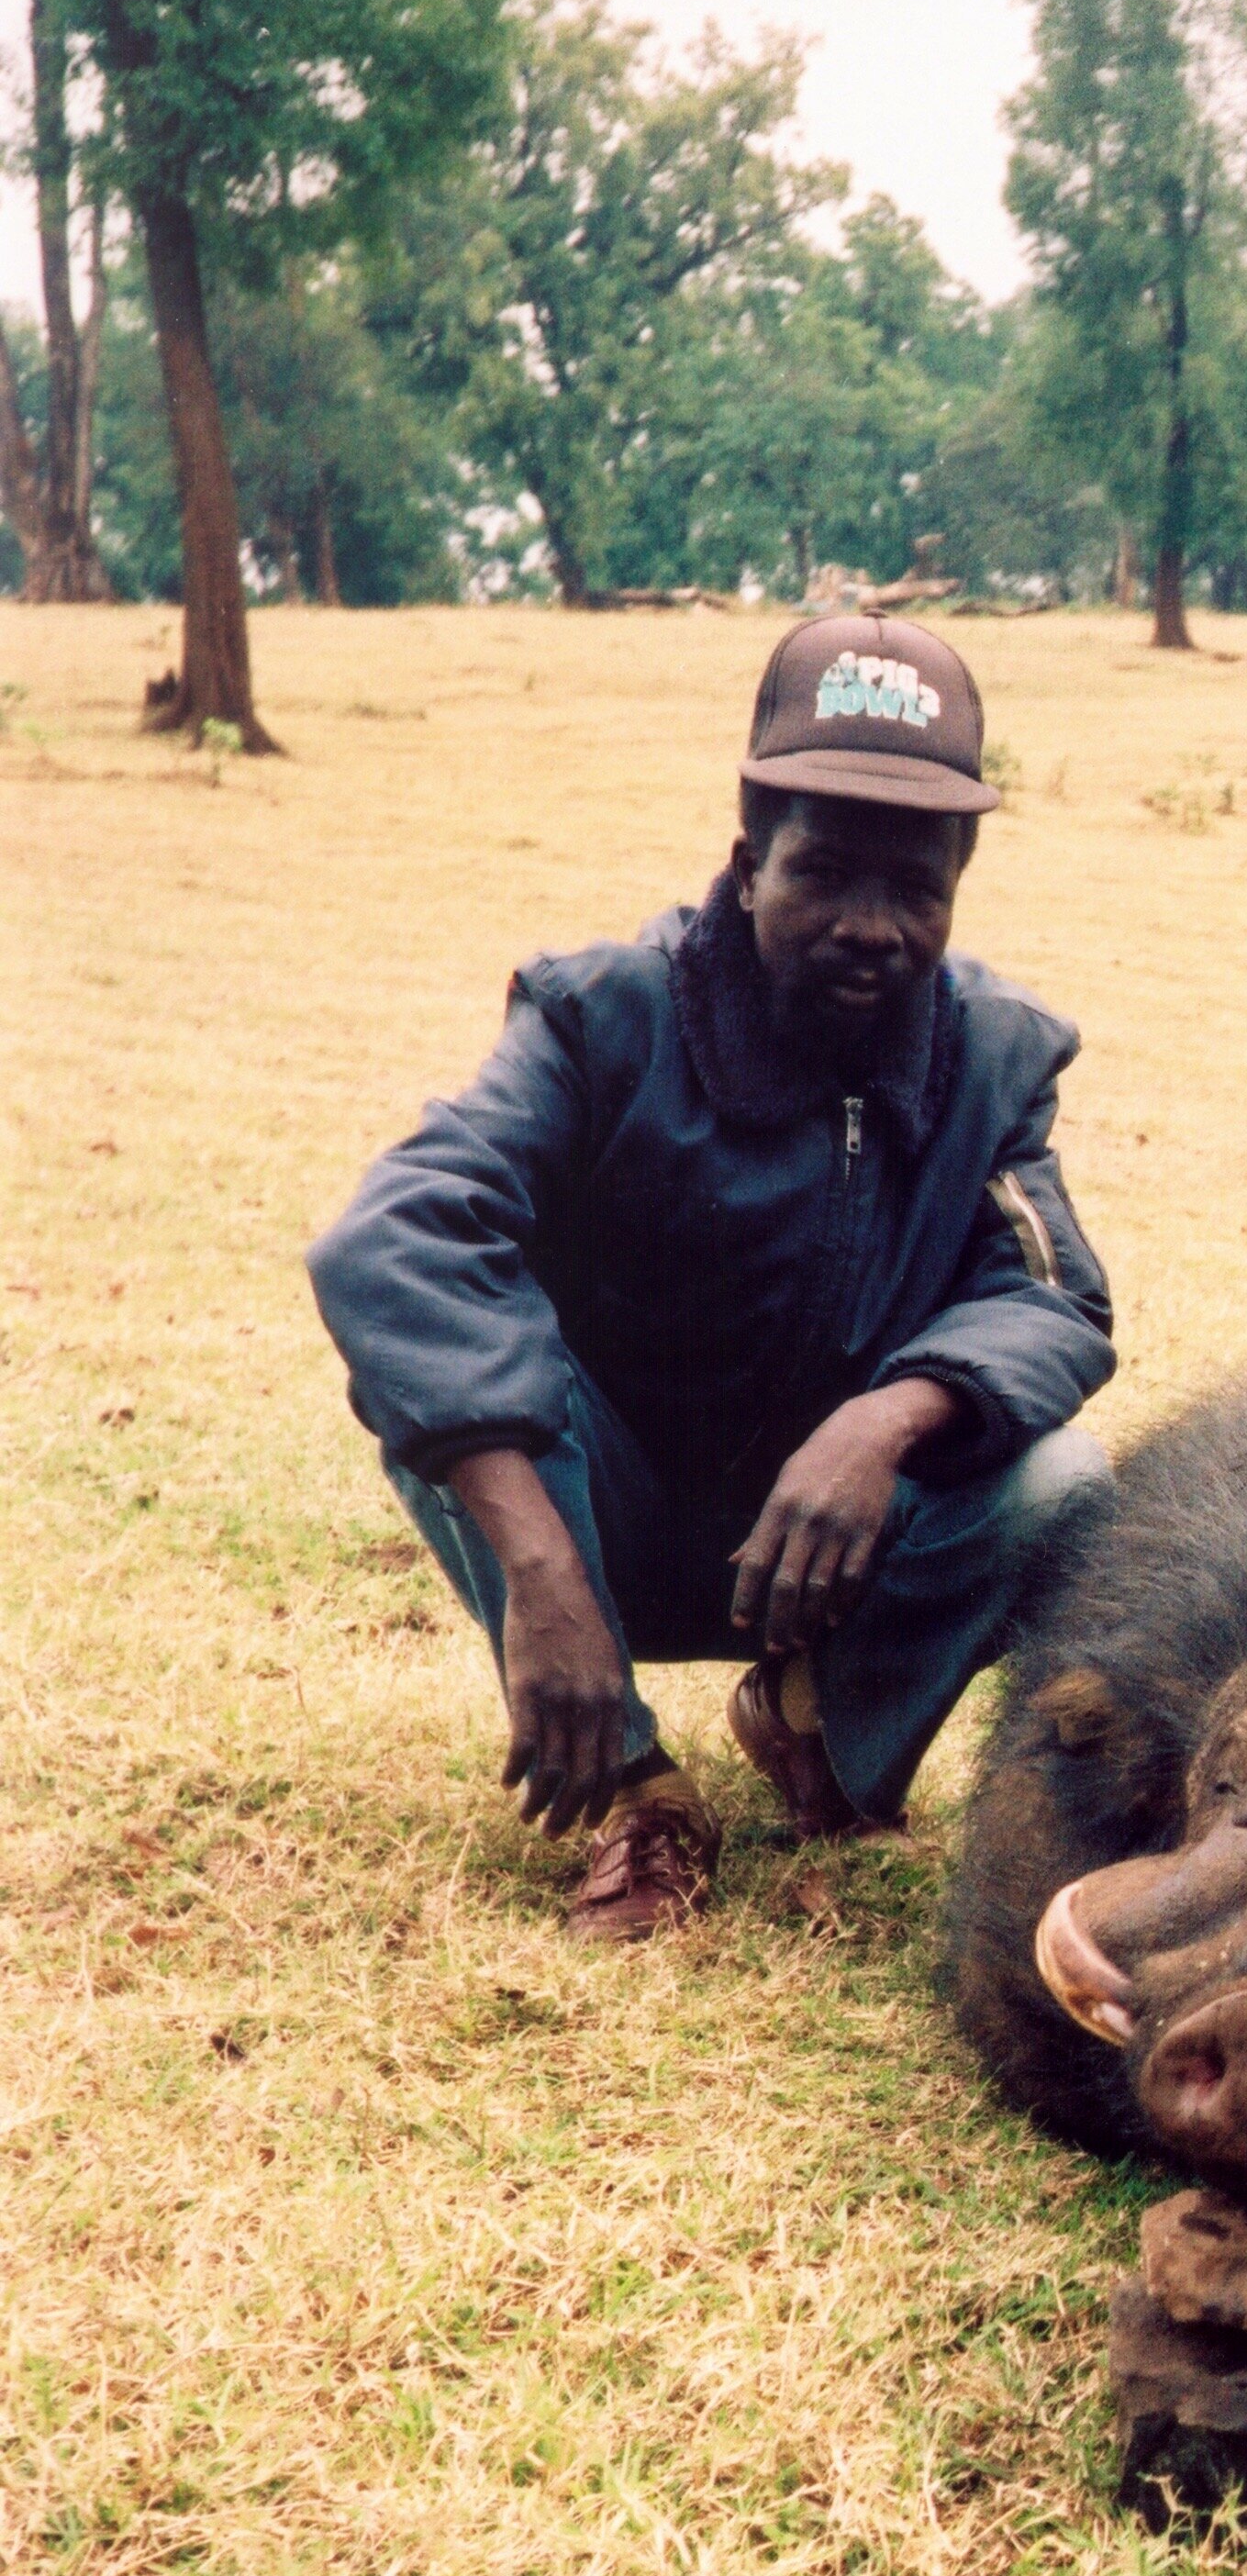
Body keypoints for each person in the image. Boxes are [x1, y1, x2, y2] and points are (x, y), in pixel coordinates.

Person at [308, 617, 1115, 1940]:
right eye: (824, 873)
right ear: (749, 853)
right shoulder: (600, 1018)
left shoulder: (993, 1060)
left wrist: (887, 1417)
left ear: (962, 877)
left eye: (915, 886)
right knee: (446, 1398)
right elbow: (396, 1234)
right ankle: (643, 1791)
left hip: (824, 1552)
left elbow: (1053, 1297)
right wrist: (541, 1572)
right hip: (599, 1524)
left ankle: (818, 1731)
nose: (871, 928)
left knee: (1061, 1480)